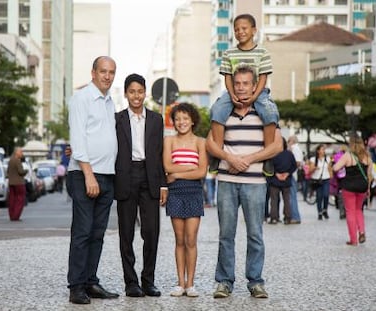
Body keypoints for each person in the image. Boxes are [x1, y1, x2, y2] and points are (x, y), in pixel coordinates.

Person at [206, 65, 282, 299]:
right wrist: (230, 159)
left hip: (255, 182)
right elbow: (210, 143)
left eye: (245, 83)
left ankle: (256, 281)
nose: (241, 88)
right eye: (237, 83)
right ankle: (224, 282)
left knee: (255, 234)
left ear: (254, 85)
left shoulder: (264, 112)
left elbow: (277, 145)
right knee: (226, 234)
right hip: (227, 181)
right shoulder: (223, 111)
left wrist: (248, 159)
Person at [66, 56, 119, 304]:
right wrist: (88, 174)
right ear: (93, 73)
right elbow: (77, 140)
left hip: (107, 175)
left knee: (98, 233)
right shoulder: (82, 99)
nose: (107, 76)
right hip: (85, 174)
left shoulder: (110, 102)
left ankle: (90, 281)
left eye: (111, 72)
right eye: (103, 71)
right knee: (83, 232)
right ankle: (76, 286)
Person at [114, 73, 168, 298]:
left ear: (145, 93)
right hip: (126, 177)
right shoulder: (117, 119)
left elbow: (160, 153)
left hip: (150, 177)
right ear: (126, 94)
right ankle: (131, 283)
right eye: (132, 91)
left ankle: (148, 281)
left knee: (151, 232)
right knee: (126, 234)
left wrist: (164, 184)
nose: (136, 96)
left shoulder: (156, 119)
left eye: (140, 91)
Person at [209, 14, 279, 177]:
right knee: (216, 110)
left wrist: (255, 96)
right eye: (236, 29)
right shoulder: (229, 53)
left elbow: (263, 76)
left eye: (244, 28)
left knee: (270, 112)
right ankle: (217, 154)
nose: (240, 32)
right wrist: (232, 94)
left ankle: (267, 156)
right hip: (234, 91)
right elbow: (227, 77)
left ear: (254, 30)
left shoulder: (262, 52)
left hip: (258, 91)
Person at [163, 103, 208, 297]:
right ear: (174, 122)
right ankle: (180, 283)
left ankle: (191, 284)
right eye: (178, 118)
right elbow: (166, 166)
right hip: (175, 193)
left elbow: (202, 171)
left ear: (192, 120)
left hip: (194, 192)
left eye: (185, 118)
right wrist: (190, 168)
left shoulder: (200, 142)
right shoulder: (169, 141)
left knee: (191, 240)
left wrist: (178, 173)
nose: (182, 122)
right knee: (179, 240)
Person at [333, 136, 372, 246]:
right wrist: (368, 188)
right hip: (362, 187)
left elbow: (336, 168)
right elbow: (369, 175)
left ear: (351, 144)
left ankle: (353, 239)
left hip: (349, 186)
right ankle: (362, 231)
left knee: (350, 211)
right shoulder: (367, 157)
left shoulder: (348, 156)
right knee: (359, 210)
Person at [268, 137, 297, 224]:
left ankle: (274, 218)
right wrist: (287, 173)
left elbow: (269, 166)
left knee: (274, 200)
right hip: (286, 180)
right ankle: (287, 218)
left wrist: (276, 174)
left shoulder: (272, 154)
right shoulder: (289, 154)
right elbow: (294, 166)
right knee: (286, 200)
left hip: (274, 180)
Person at [309, 144, 332, 220]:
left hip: (326, 179)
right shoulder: (313, 159)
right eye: (322, 149)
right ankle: (319, 212)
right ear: (318, 151)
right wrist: (314, 168)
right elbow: (310, 170)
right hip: (317, 180)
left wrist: (331, 176)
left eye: (324, 150)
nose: (323, 151)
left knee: (326, 195)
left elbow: (330, 169)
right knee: (319, 197)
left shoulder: (327, 159)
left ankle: (325, 209)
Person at [7, 147, 28, 221]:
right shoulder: (17, 160)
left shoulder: (10, 160)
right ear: (17, 153)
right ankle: (16, 216)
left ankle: (12, 216)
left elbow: (8, 171)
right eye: (21, 152)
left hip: (11, 182)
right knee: (20, 199)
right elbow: (21, 172)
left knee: (12, 199)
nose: (22, 154)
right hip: (19, 183)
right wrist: (26, 171)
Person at [287, 135, 303, 224]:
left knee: (292, 196)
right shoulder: (298, 149)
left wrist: (288, 171)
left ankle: (295, 216)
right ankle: (293, 215)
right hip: (293, 175)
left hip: (292, 175)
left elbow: (297, 162)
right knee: (291, 196)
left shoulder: (294, 148)